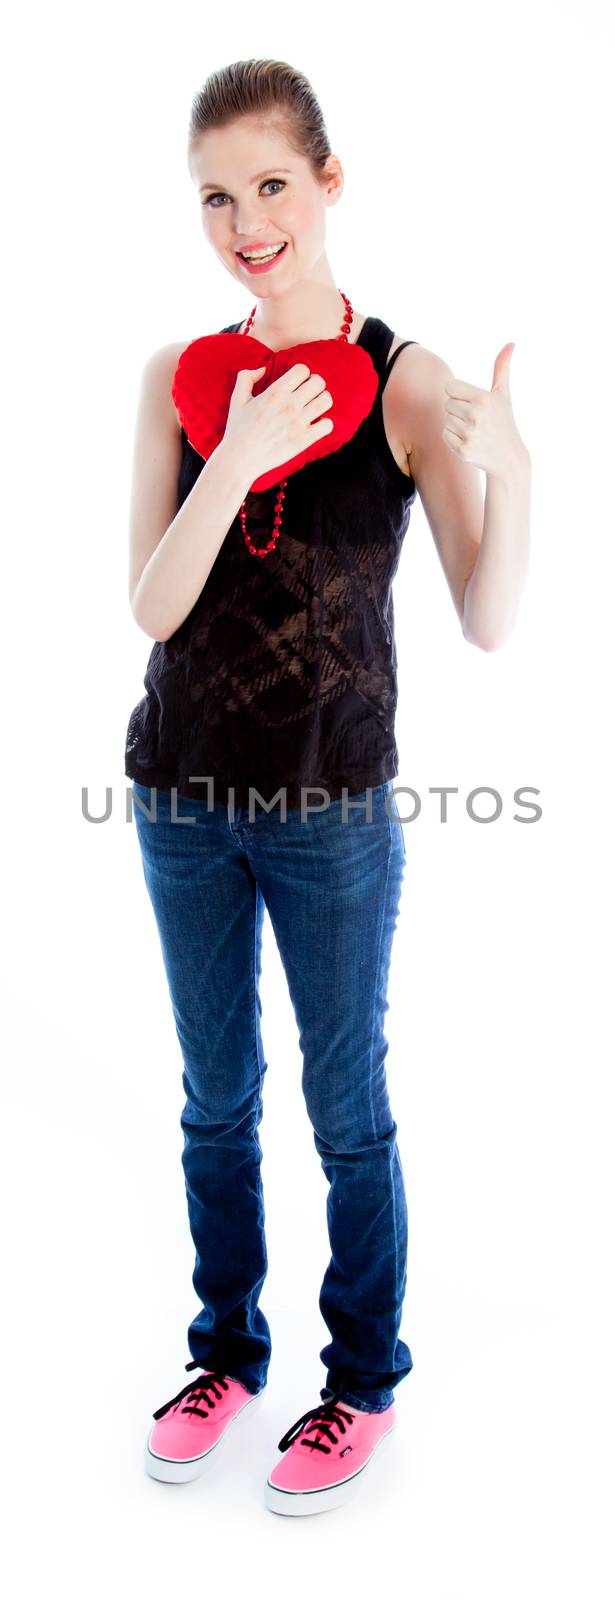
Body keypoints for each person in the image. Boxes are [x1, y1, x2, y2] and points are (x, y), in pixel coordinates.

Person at [124, 58, 531, 1517]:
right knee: (213, 1099)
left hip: (331, 816)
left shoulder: (407, 380)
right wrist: (229, 456)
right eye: (217, 197)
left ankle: (359, 1382)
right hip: (175, 797)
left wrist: (521, 472)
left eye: (271, 186)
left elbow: (487, 618)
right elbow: (154, 607)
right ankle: (226, 1350)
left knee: (346, 1107)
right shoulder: (179, 379)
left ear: (330, 181)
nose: (245, 223)